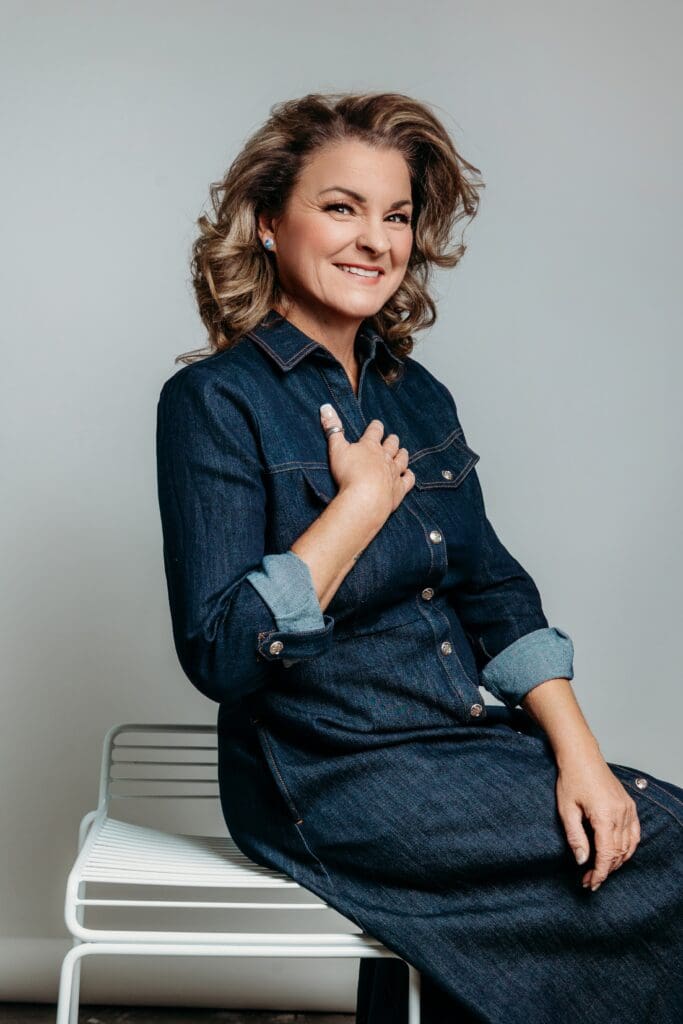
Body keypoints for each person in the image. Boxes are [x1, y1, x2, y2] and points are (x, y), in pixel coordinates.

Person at [155, 91, 683, 1023]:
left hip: (454, 738)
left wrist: (582, 757)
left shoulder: (418, 394)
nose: (374, 240)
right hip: (323, 773)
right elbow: (220, 653)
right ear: (270, 221)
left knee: (636, 822)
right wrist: (357, 507)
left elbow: (494, 591)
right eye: (341, 207)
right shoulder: (215, 401)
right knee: (661, 854)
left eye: (395, 216)